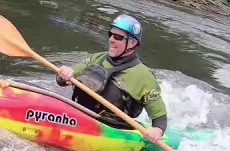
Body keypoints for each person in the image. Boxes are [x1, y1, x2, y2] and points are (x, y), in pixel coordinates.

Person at [55, 14, 168, 144]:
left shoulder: (144, 76)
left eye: (118, 37)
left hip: (111, 130)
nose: (111, 39)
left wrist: (157, 130)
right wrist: (63, 74)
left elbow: (159, 117)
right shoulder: (96, 59)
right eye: (111, 34)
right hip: (78, 117)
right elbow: (63, 80)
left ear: (132, 43)